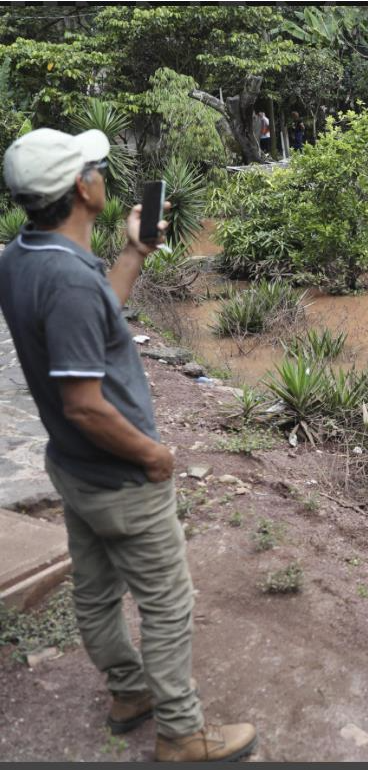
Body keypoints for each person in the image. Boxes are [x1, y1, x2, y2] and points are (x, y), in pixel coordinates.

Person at [0, 128, 258, 763]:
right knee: (167, 603)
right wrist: (153, 454)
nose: (104, 175)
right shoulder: (68, 282)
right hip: (119, 477)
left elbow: (96, 322)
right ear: (83, 188)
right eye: (98, 167)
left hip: (72, 470)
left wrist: (134, 254)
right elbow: (84, 403)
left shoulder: (22, 257)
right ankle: (181, 732)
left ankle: (128, 693)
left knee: (93, 591)